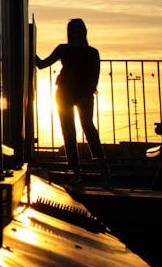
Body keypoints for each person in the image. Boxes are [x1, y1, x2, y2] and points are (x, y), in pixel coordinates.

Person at [36, 18, 111, 187]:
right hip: (64, 91)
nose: (77, 30)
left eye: (80, 27)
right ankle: (76, 172)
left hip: (84, 92)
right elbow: (42, 64)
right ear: (71, 31)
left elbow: (95, 75)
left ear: (84, 30)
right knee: (68, 130)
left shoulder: (93, 52)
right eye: (74, 27)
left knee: (87, 125)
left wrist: (90, 90)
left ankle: (103, 166)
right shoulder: (64, 48)